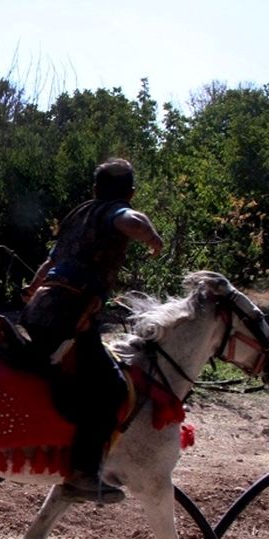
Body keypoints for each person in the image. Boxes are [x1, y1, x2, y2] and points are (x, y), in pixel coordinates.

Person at [19, 158, 164, 503]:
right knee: (113, 389)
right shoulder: (112, 213)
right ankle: (84, 472)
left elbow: (51, 262)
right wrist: (152, 236)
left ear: (94, 189)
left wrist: (33, 287)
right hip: (68, 316)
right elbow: (129, 220)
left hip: (39, 309)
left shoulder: (77, 215)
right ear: (130, 193)